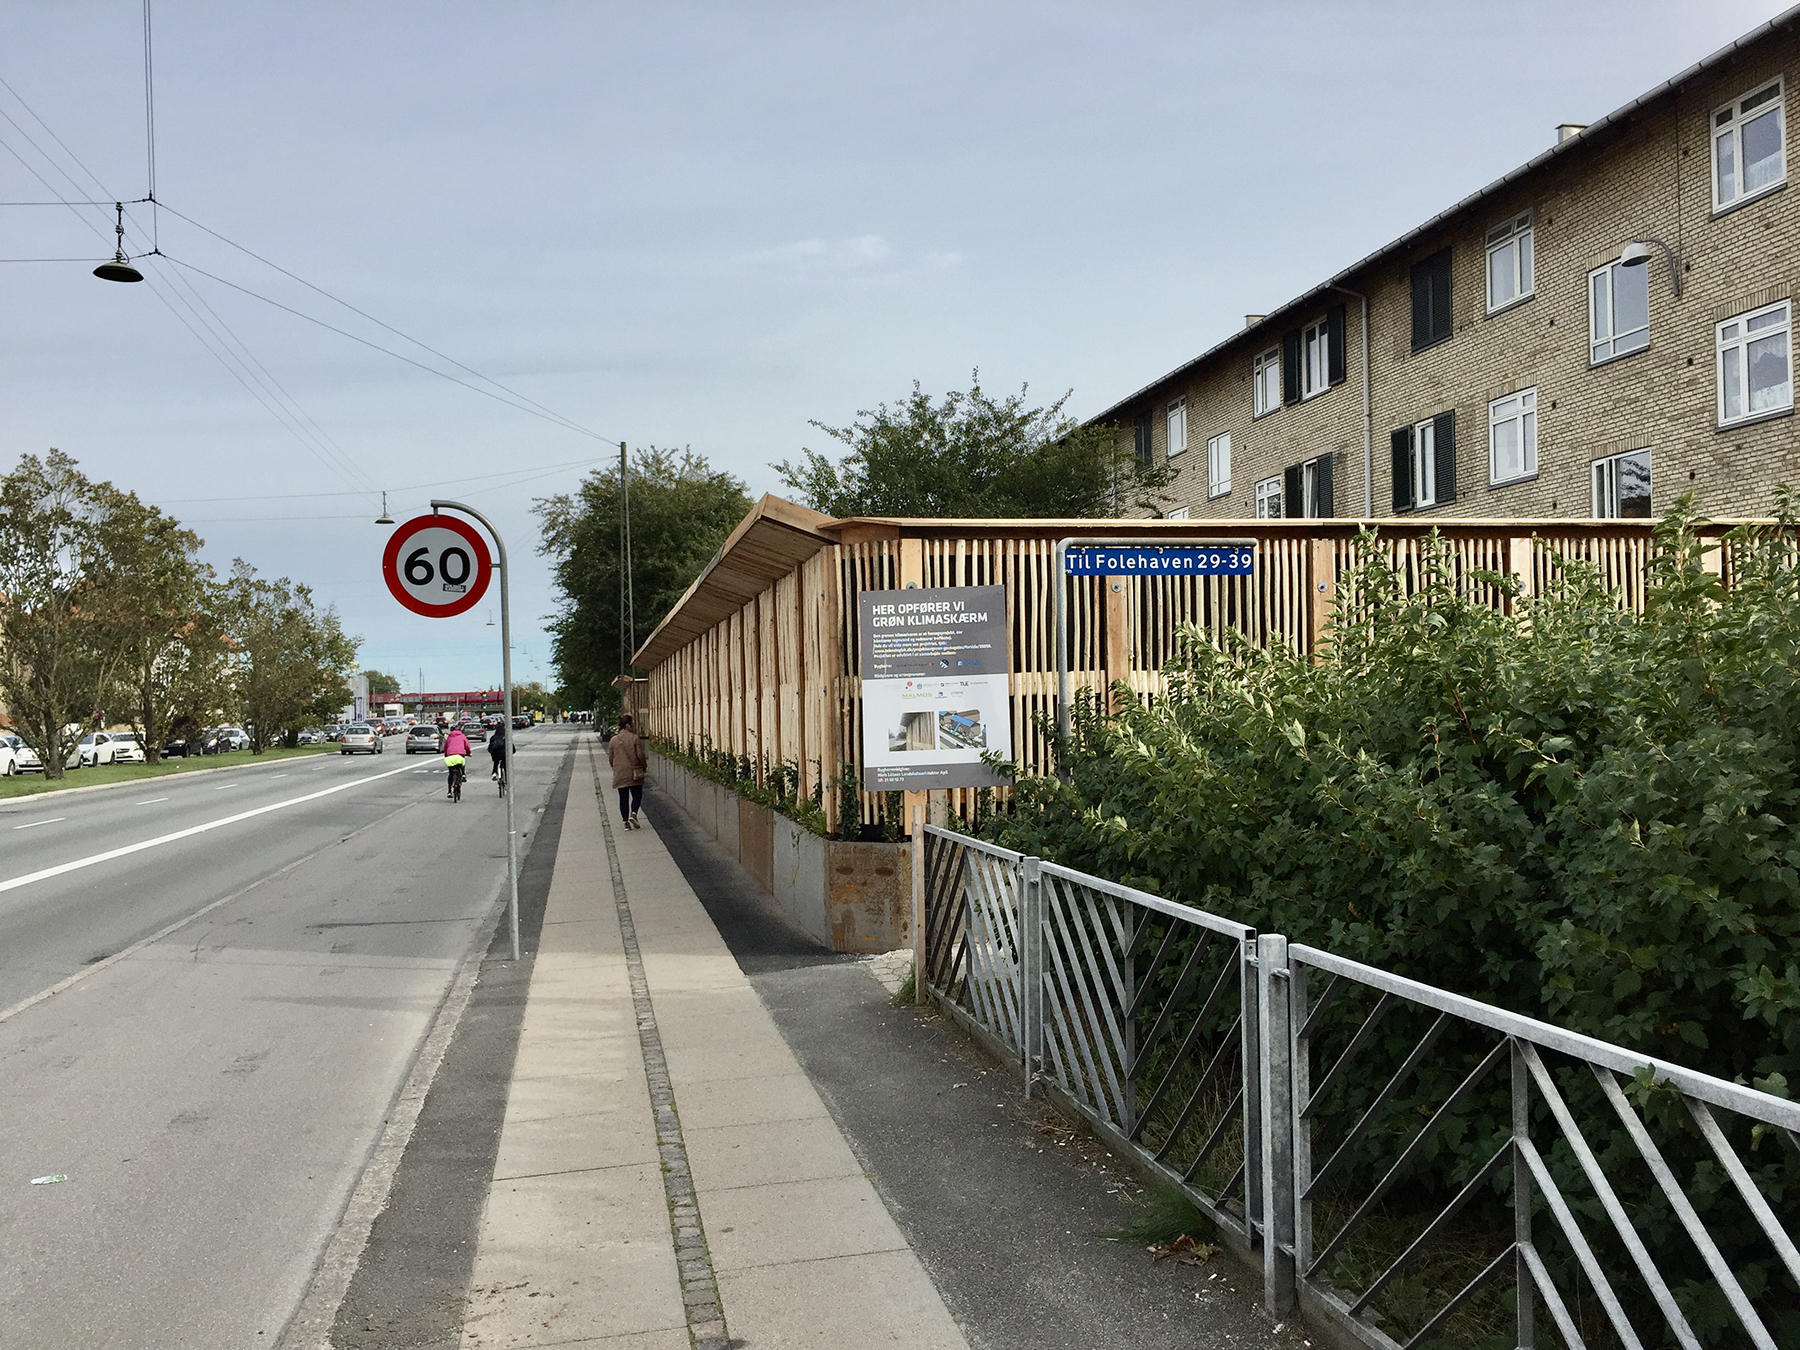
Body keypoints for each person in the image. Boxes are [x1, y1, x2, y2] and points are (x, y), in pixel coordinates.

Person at [609, 714, 647, 829]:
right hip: (634, 772)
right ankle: (634, 813)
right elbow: (640, 755)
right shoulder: (634, 738)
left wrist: (615, 768)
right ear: (627, 725)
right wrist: (643, 766)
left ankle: (626, 822)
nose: (633, 726)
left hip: (620, 773)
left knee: (623, 797)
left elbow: (611, 758)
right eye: (632, 724)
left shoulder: (613, 740)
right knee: (637, 795)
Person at [442, 723, 471, 799]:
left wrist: (446, 754)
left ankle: (449, 791)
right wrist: (469, 753)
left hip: (450, 755)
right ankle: (463, 774)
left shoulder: (449, 737)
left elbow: (445, 747)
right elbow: (467, 745)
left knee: (451, 773)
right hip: (460, 754)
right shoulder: (462, 736)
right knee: (462, 762)